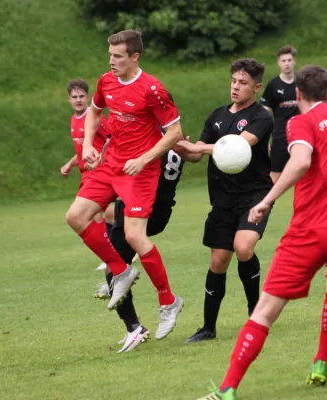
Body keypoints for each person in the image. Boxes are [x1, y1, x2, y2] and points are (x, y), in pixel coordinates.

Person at [196, 65, 327, 400]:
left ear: (297, 94)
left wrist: (268, 199)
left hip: (312, 230)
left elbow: (299, 161)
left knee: (265, 309)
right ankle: (321, 363)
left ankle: (227, 390)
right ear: (326, 92)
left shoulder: (300, 121)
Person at [65, 29, 184, 341]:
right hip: (111, 163)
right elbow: (94, 112)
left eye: (118, 56)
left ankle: (168, 301)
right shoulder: (106, 81)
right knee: (75, 216)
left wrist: (144, 159)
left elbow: (174, 134)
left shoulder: (153, 90)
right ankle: (120, 271)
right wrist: (89, 144)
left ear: (135, 57)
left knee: (133, 235)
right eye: (110, 55)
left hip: (141, 171)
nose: (111, 61)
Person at [174, 58, 274, 344]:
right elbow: (196, 154)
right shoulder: (217, 115)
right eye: (233, 81)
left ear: (256, 87)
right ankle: (208, 328)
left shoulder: (262, 117)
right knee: (218, 260)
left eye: (243, 83)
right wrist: (180, 146)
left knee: (243, 247)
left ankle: (256, 314)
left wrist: (199, 147)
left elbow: (238, 146)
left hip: (255, 196)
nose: (236, 87)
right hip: (222, 199)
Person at [99, 146, 197, 352]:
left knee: (115, 268)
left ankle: (135, 327)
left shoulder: (148, 141)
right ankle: (136, 325)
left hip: (144, 204)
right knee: (116, 266)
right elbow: (192, 154)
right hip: (158, 208)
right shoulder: (173, 140)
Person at [61, 78, 113, 228]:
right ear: (69, 99)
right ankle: (121, 241)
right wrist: (69, 165)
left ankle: (125, 238)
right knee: (93, 219)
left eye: (81, 96)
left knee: (92, 218)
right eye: (75, 97)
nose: (78, 100)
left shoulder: (96, 118)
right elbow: (83, 150)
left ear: (88, 97)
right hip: (87, 175)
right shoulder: (73, 119)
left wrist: (100, 160)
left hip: (100, 173)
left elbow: (113, 141)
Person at [260, 45, 299, 183]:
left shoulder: (301, 82)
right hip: (280, 134)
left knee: (305, 171)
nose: (287, 63)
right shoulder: (273, 85)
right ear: (278, 63)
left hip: (300, 133)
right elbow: (264, 112)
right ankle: (266, 203)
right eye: (283, 61)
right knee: (275, 174)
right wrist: (264, 137)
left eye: (289, 60)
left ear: (294, 62)